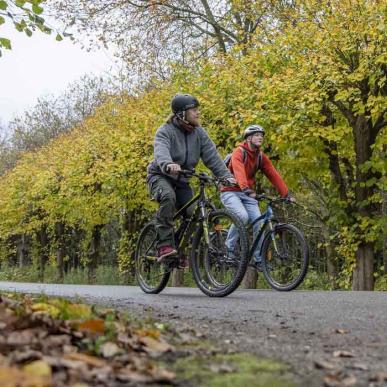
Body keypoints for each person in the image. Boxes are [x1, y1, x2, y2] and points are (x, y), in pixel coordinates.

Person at [147, 93, 236, 263]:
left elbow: (212, 156)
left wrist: (226, 177)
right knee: (168, 197)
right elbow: (161, 150)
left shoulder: (199, 133)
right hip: (161, 175)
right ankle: (164, 246)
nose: (198, 113)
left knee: (193, 213)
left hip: (182, 180)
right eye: (193, 110)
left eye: (198, 110)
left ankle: (177, 249)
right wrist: (167, 163)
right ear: (181, 114)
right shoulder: (165, 131)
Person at [220, 124, 294, 270]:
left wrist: (286, 194)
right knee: (242, 216)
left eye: (261, 135)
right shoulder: (239, 152)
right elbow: (239, 171)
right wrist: (246, 188)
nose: (260, 137)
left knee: (259, 223)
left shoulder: (260, 156)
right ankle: (228, 251)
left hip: (247, 193)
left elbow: (273, 174)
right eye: (256, 135)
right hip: (230, 191)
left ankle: (258, 258)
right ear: (248, 138)